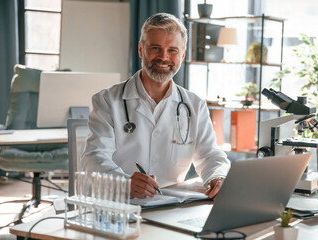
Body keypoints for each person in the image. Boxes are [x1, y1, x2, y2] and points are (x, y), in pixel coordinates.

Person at [81, 13, 230, 199]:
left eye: (173, 50)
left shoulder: (194, 105)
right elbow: (94, 157)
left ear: (182, 55)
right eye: (155, 48)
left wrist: (218, 176)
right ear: (141, 49)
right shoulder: (107, 101)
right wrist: (124, 183)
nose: (164, 57)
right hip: (120, 204)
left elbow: (209, 155)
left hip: (171, 205)